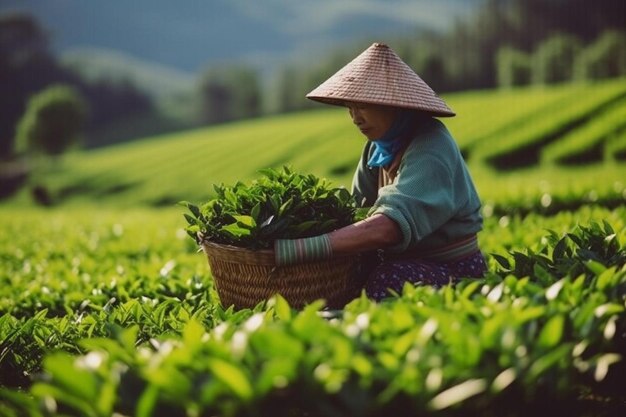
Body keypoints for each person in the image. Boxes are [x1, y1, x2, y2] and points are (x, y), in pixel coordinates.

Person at [274, 43, 486, 301]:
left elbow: (388, 227)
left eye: (362, 106)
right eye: (350, 107)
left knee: (387, 277)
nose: (355, 117)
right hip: (403, 263)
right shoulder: (376, 149)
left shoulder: (430, 144)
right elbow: (356, 213)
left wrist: (301, 249)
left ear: (393, 104)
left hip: (454, 271)